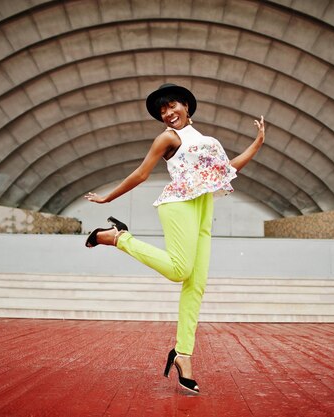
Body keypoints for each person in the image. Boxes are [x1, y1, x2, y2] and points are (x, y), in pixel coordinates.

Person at [84, 83, 265, 394]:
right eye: (162, 110)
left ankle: (183, 356)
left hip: (204, 208)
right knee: (180, 270)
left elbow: (228, 170)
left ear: (187, 106)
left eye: (172, 106)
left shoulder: (208, 141)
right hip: (178, 204)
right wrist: (108, 198)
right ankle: (118, 238)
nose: (167, 113)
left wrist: (258, 142)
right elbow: (142, 173)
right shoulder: (169, 138)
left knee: (196, 286)